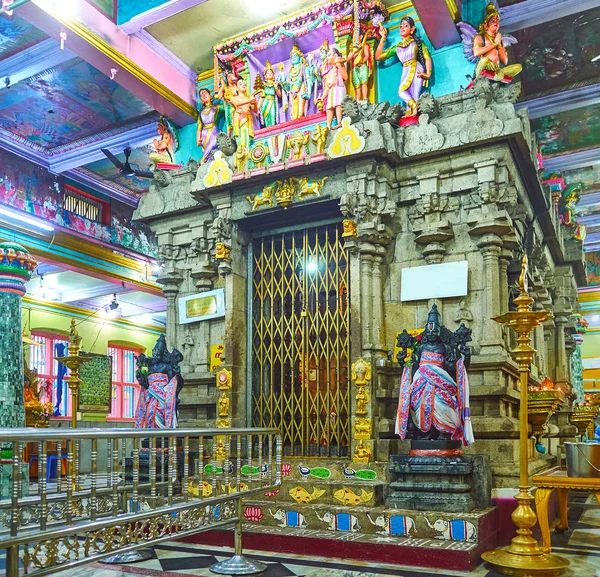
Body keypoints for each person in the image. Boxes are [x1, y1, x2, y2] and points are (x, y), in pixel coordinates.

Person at [395, 305, 474, 445]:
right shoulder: (420, 348)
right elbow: (411, 369)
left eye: (434, 330)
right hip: (421, 384)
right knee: (422, 405)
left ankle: (443, 431)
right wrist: (402, 361)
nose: (431, 333)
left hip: (441, 385)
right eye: (429, 330)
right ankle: (426, 432)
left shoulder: (447, 348)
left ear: (439, 331)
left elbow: (458, 370)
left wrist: (466, 358)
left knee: (441, 406)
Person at [375, 17, 431, 118]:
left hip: (416, 69)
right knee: (402, 92)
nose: (402, 28)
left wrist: (428, 74)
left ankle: (414, 111)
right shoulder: (398, 47)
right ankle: (412, 110)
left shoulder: (417, 43)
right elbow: (378, 57)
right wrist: (383, 38)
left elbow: (427, 58)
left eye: (405, 26)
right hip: (406, 70)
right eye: (401, 26)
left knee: (413, 94)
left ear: (412, 29)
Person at [472, 3, 522, 82]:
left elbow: (505, 61)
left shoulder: (499, 40)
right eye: (493, 21)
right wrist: (494, 44)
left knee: (518, 67)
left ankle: (497, 75)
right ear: (486, 24)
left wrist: (499, 45)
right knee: (485, 60)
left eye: (498, 21)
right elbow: (476, 52)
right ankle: (498, 77)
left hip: (496, 68)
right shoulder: (479, 37)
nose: (496, 23)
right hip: (484, 67)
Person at [321, 46, 347, 130]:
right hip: (331, 91)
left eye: (329, 55)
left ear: (335, 55)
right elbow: (327, 88)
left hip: (338, 88)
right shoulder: (329, 72)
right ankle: (328, 125)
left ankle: (339, 122)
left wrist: (338, 65)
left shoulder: (340, 66)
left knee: (338, 105)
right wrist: (322, 98)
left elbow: (345, 77)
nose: (327, 58)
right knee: (329, 108)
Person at [196, 88, 221, 164]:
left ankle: (203, 160)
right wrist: (198, 138)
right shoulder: (201, 112)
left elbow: (228, 106)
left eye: (205, 93)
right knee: (210, 156)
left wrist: (222, 93)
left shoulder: (217, 108)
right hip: (204, 134)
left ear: (210, 96)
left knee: (214, 142)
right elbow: (199, 127)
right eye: (201, 95)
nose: (203, 95)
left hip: (213, 130)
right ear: (201, 100)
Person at [347, 30, 374, 102]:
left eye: (356, 37)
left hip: (362, 67)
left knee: (364, 83)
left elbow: (367, 55)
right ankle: (357, 101)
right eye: (353, 37)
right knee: (357, 86)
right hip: (355, 69)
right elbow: (348, 59)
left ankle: (365, 98)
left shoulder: (364, 45)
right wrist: (353, 52)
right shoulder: (353, 49)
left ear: (361, 37)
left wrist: (361, 61)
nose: (354, 39)